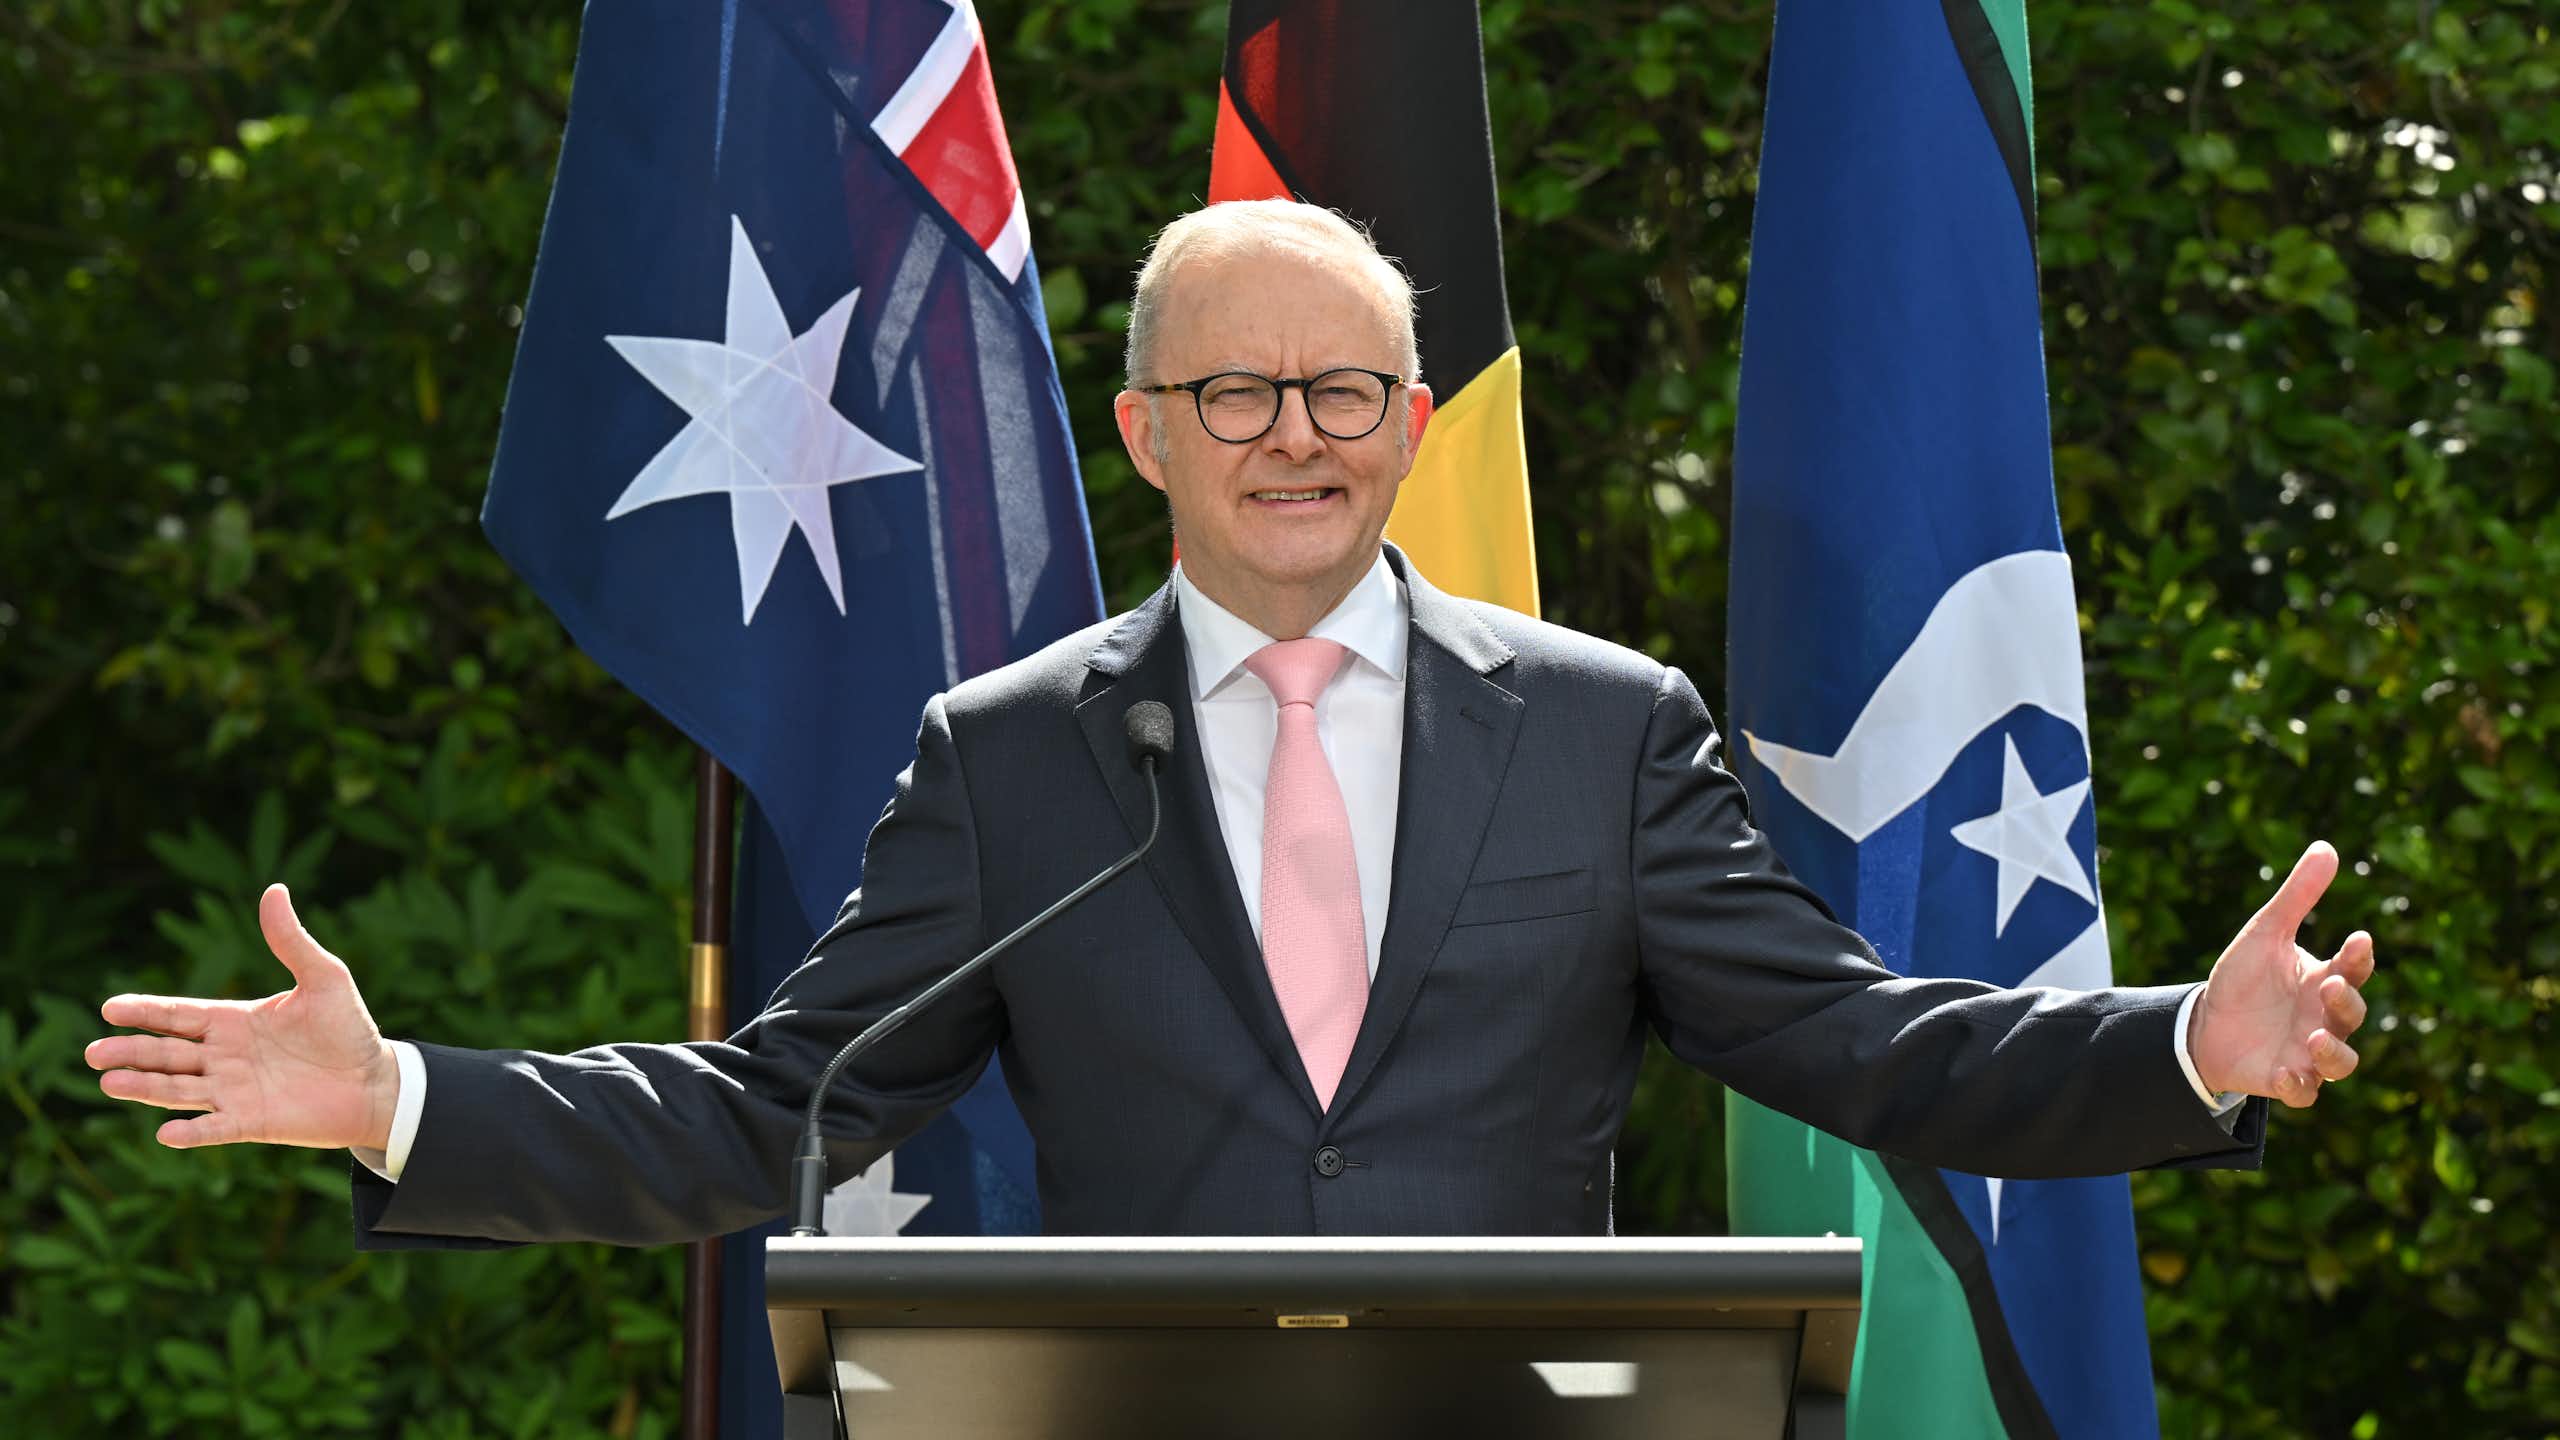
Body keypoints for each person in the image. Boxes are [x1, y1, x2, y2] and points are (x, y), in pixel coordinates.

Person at [87, 201, 2374, 1241]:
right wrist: (398, 1100)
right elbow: (776, 1113)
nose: (1303, 430)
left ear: (1402, 422)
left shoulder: (1603, 729)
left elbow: (1875, 1051)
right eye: (1239, 391)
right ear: (1144, 430)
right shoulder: (1011, 757)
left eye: (1349, 389)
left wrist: (2187, 1043)